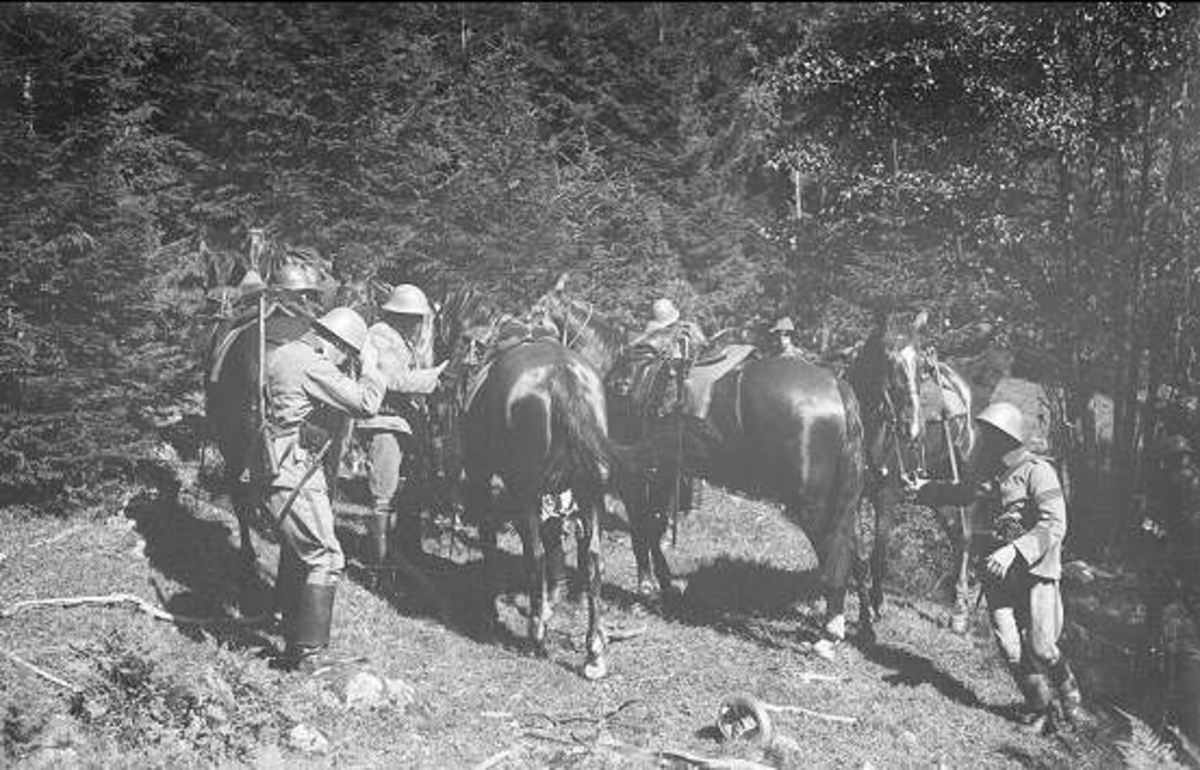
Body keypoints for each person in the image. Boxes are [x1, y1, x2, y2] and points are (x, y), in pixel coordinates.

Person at [905, 401, 1086, 734]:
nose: (984, 440)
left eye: (991, 435)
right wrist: (924, 490)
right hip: (998, 572)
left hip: (1036, 571)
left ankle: (1073, 703)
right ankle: (1042, 711)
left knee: (1043, 648)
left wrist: (1014, 550)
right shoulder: (989, 471)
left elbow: (1055, 524)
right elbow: (962, 493)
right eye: (985, 433)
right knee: (1010, 648)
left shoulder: (1038, 471)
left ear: (1008, 439)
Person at [258, 306, 385, 672]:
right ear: (339, 345)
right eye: (348, 355)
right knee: (326, 558)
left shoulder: (283, 352)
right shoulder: (312, 363)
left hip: (274, 463)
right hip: (294, 469)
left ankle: (294, 644)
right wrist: (371, 366)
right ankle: (309, 655)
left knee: (302, 554)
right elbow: (366, 403)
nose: (345, 362)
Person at [356, 284, 446, 565]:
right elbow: (394, 379)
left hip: (404, 422)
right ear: (399, 315)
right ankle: (378, 565)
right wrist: (438, 376)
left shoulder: (403, 340)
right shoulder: (380, 335)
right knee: (383, 494)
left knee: (412, 490)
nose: (418, 324)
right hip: (384, 422)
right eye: (414, 318)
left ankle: (407, 553)